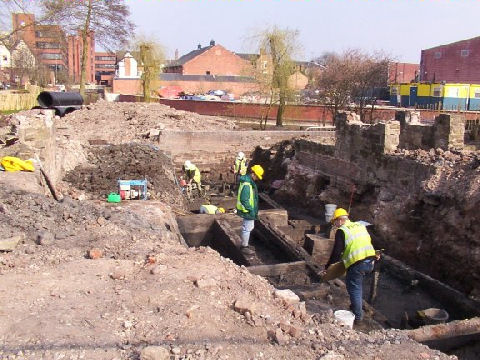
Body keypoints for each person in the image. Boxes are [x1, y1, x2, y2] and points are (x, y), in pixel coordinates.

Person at [323, 208, 376, 324]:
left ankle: (357, 317)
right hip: (371, 261)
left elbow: (337, 252)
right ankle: (356, 307)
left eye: (335, 222)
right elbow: (367, 241)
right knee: (358, 285)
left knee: (354, 289)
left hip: (358, 263)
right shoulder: (360, 226)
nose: (335, 225)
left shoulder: (342, 230)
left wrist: (328, 267)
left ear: (340, 220)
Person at [236, 164, 264, 255]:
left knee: (249, 227)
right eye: (256, 176)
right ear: (253, 173)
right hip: (247, 210)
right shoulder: (247, 184)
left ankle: (245, 244)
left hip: (248, 210)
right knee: (247, 228)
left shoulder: (248, 182)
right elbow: (244, 199)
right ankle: (244, 247)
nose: (256, 178)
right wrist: (250, 209)